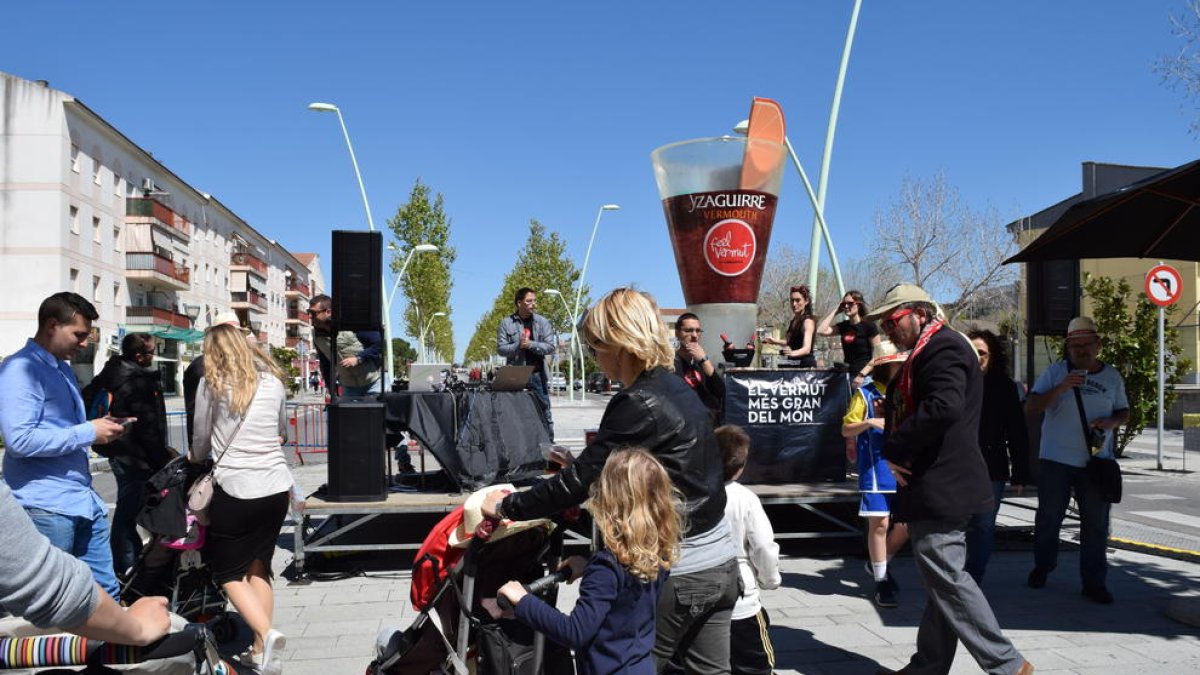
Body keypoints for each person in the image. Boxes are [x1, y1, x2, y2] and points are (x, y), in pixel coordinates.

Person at [483, 287, 739, 674]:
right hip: (719, 559)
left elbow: (579, 485)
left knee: (625, 661)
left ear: (620, 344)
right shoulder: (673, 387)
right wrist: (583, 464)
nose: (594, 357)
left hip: (673, 565)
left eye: (596, 347)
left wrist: (507, 507)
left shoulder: (636, 400)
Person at [867, 283, 1032, 675]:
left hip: (944, 484)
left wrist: (894, 446)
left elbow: (944, 407)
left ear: (918, 313)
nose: (887, 330)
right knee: (941, 583)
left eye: (892, 320)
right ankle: (928, 666)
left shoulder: (943, 347)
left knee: (948, 580)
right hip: (937, 484)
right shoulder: (930, 349)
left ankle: (1009, 666)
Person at [493, 448, 681, 675]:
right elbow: (625, 599)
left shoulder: (607, 567)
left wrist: (523, 601)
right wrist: (589, 565)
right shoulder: (656, 552)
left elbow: (575, 631)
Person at [0, 292, 127, 600]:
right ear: (52, 325)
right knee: (53, 603)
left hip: (81, 501)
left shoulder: (61, 368)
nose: (84, 343)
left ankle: (100, 650)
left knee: (103, 596)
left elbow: (64, 430)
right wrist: (87, 432)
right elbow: (19, 440)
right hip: (47, 507)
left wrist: (100, 428)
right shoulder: (20, 370)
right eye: (79, 335)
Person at [191, 323, 292, 675]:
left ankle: (266, 632)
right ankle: (261, 649)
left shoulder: (212, 384)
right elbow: (282, 430)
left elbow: (201, 439)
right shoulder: (273, 383)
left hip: (236, 488)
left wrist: (193, 458)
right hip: (277, 487)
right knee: (258, 567)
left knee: (227, 572)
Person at [1024, 316, 1128, 605]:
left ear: (1098, 345)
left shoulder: (1112, 377)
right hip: (1055, 460)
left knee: (1095, 525)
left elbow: (1124, 412)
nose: (1081, 351)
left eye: (1087, 345)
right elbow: (1031, 407)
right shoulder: (1056, 372)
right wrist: (1060, 388)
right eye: (1075, 346)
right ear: (1067, 348)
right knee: (1049, 519)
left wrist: (1110, 422)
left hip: (1094, 463)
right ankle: (1042, 566)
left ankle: (1094, 583)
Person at [0, 479, 171, 648]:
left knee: (108, 589)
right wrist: (138, 628)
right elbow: (46, 588)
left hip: (85, 502)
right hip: (48, 504)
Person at [82, 332, 174, 578]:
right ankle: (126, 567)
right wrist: (162, 459)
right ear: (138, 355)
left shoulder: (111, 373)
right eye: (151, 352)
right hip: (135, 455)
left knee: (130, 509)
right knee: (130, 511)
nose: (153, 356)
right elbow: (148, 427)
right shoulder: (137, 380)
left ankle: (130, 561)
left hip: (118, 451)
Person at [841, 340, 910, 608]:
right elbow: (846, 429)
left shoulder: (908, 391)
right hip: (876, 469)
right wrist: (869, 422)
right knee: (879, 524)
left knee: (908, 524)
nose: (900, 366)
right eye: (896, 362)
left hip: (905, 467)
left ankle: (878, 563)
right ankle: (882, 580)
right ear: (884, 364)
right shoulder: (866, 393)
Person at [964, 329, 1032, 584]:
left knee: (983, 526)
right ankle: (954, 577)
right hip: (957, 466)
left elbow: (1017, 432)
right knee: (956, 526)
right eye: (972, 352)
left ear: (992, 357)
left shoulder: (1004, 387)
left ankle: (973, 579)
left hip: (991, 467)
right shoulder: (955, 381)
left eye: (982, 353)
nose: (977, 357)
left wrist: (1020, 473)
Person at [716, 425, 780, 675]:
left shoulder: (689, 492)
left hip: (697, 601)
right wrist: (770, 579)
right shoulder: (746, 498)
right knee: (755, 666)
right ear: (740, 466)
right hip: (741, 600)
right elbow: (763, 546)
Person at [497, 287, 558, 436]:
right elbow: (501, 349)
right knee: (514, 414)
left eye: (534, 301)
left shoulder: (542, 322)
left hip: (537, 375)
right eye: (529, 301)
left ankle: (548, 446)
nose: (533, 304)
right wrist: (518, 345)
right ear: (519, 303)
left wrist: (530, 344)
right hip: (515, 375)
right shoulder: (506, 323)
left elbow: (550, 346)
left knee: (544, 413)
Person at [308, 293, 383, 397]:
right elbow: (325, 364)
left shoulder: (351, 323)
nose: (310, 316)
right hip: (349, 388)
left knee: (374, 413)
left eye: (313, 313)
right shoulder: (316, 335)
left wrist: (359, 358)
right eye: (308, 312)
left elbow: (379, 344)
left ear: (328, 312)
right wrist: (332, 391)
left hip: (374, 384)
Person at [817, 290, 881, 387]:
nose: (846, 306)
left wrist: (862, 375)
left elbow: (878, 355)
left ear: (859, 305)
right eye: (844, 304)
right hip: (848, 376)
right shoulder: (844, 326)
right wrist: (836, 311)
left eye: (850, 303)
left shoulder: (869, 326)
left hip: (865, 378)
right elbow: (821, 331)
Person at [673, 312, 726, 425]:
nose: (694, 335)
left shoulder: (701, 362)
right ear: (677, 333)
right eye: (688, 330)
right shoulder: (670, 363)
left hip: (707, 426)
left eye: (698, 331)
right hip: (684, 426)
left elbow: (720, 392)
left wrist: (704, 361)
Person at [762, 284, 816, 367]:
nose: (794, 304)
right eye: (792, 300)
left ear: (806, 301)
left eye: (798, 300)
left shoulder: (808, 322)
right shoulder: (794, 320)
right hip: (793, 365)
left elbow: (807, 349)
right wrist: (773, 341)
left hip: (805, 369)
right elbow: (788, 341)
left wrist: (792, 353)